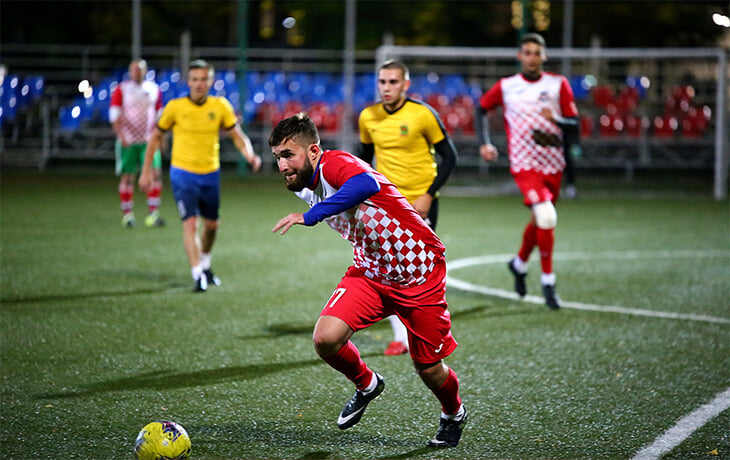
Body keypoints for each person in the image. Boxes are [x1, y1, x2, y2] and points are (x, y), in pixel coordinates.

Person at [270, 113, 467, 448]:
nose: (283, 164)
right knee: (325, 339)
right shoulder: (304, 187)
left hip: (418, 274)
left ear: (314, 151)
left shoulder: (335, 164)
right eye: (277, 157)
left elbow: (366, 184)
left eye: (289, 155)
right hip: (371, 273)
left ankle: (453, 413)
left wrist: (311, 216)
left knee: (430, 369)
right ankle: (367, 383)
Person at [358, 60, 458, 356]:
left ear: (405, 85)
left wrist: (429, 194)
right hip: (387, 204)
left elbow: (449, 157)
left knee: (422, 271)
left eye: (392, 82)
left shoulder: (423, 114)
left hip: (420, 204)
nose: (386, 88)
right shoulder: (368, 117)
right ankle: (401, 338)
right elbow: (363, 160)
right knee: (385, 268)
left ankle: (433, 324)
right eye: (382, 82)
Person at [475, 33, 580, 310]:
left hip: (553, 163)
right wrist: (484, 143)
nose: (532, 57)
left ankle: (519, 264)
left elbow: (574, 124)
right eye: (527, 52)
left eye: (537, 53)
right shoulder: (507, 86)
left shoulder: (558, 84)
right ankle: (548, 282)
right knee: (546, 215)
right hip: (525, 164)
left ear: (544, 56)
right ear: (520, 56)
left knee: (541, 219)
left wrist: (555, 119)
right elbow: (481, 109)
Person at [139, 59, 262, 292]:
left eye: (203, 79)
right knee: (190, 224)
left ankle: (205, 264)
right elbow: (155, 137)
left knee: (212, 225)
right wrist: (146, 172)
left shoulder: (220, 106)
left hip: (210, 174)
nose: (198, 83)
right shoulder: (175, 107)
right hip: (182, 174)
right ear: (188, 81)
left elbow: (237, 135)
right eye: (194, 79)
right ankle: (197, 274)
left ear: (210, 81)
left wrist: (250, 155)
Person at [109, 59, 165, 228]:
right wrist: (121, 134)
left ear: (145, 71)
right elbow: (114, 115)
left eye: (139, 70)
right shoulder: (121, 89)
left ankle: (153, 214)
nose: (137, 73)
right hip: (129, 140)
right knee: (128, 176)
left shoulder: (154, 89)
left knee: (154, 174)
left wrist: (160, 137)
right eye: (134, 70)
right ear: (130, 72)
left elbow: (160, 116)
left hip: (149, 140)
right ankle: (128, 214)